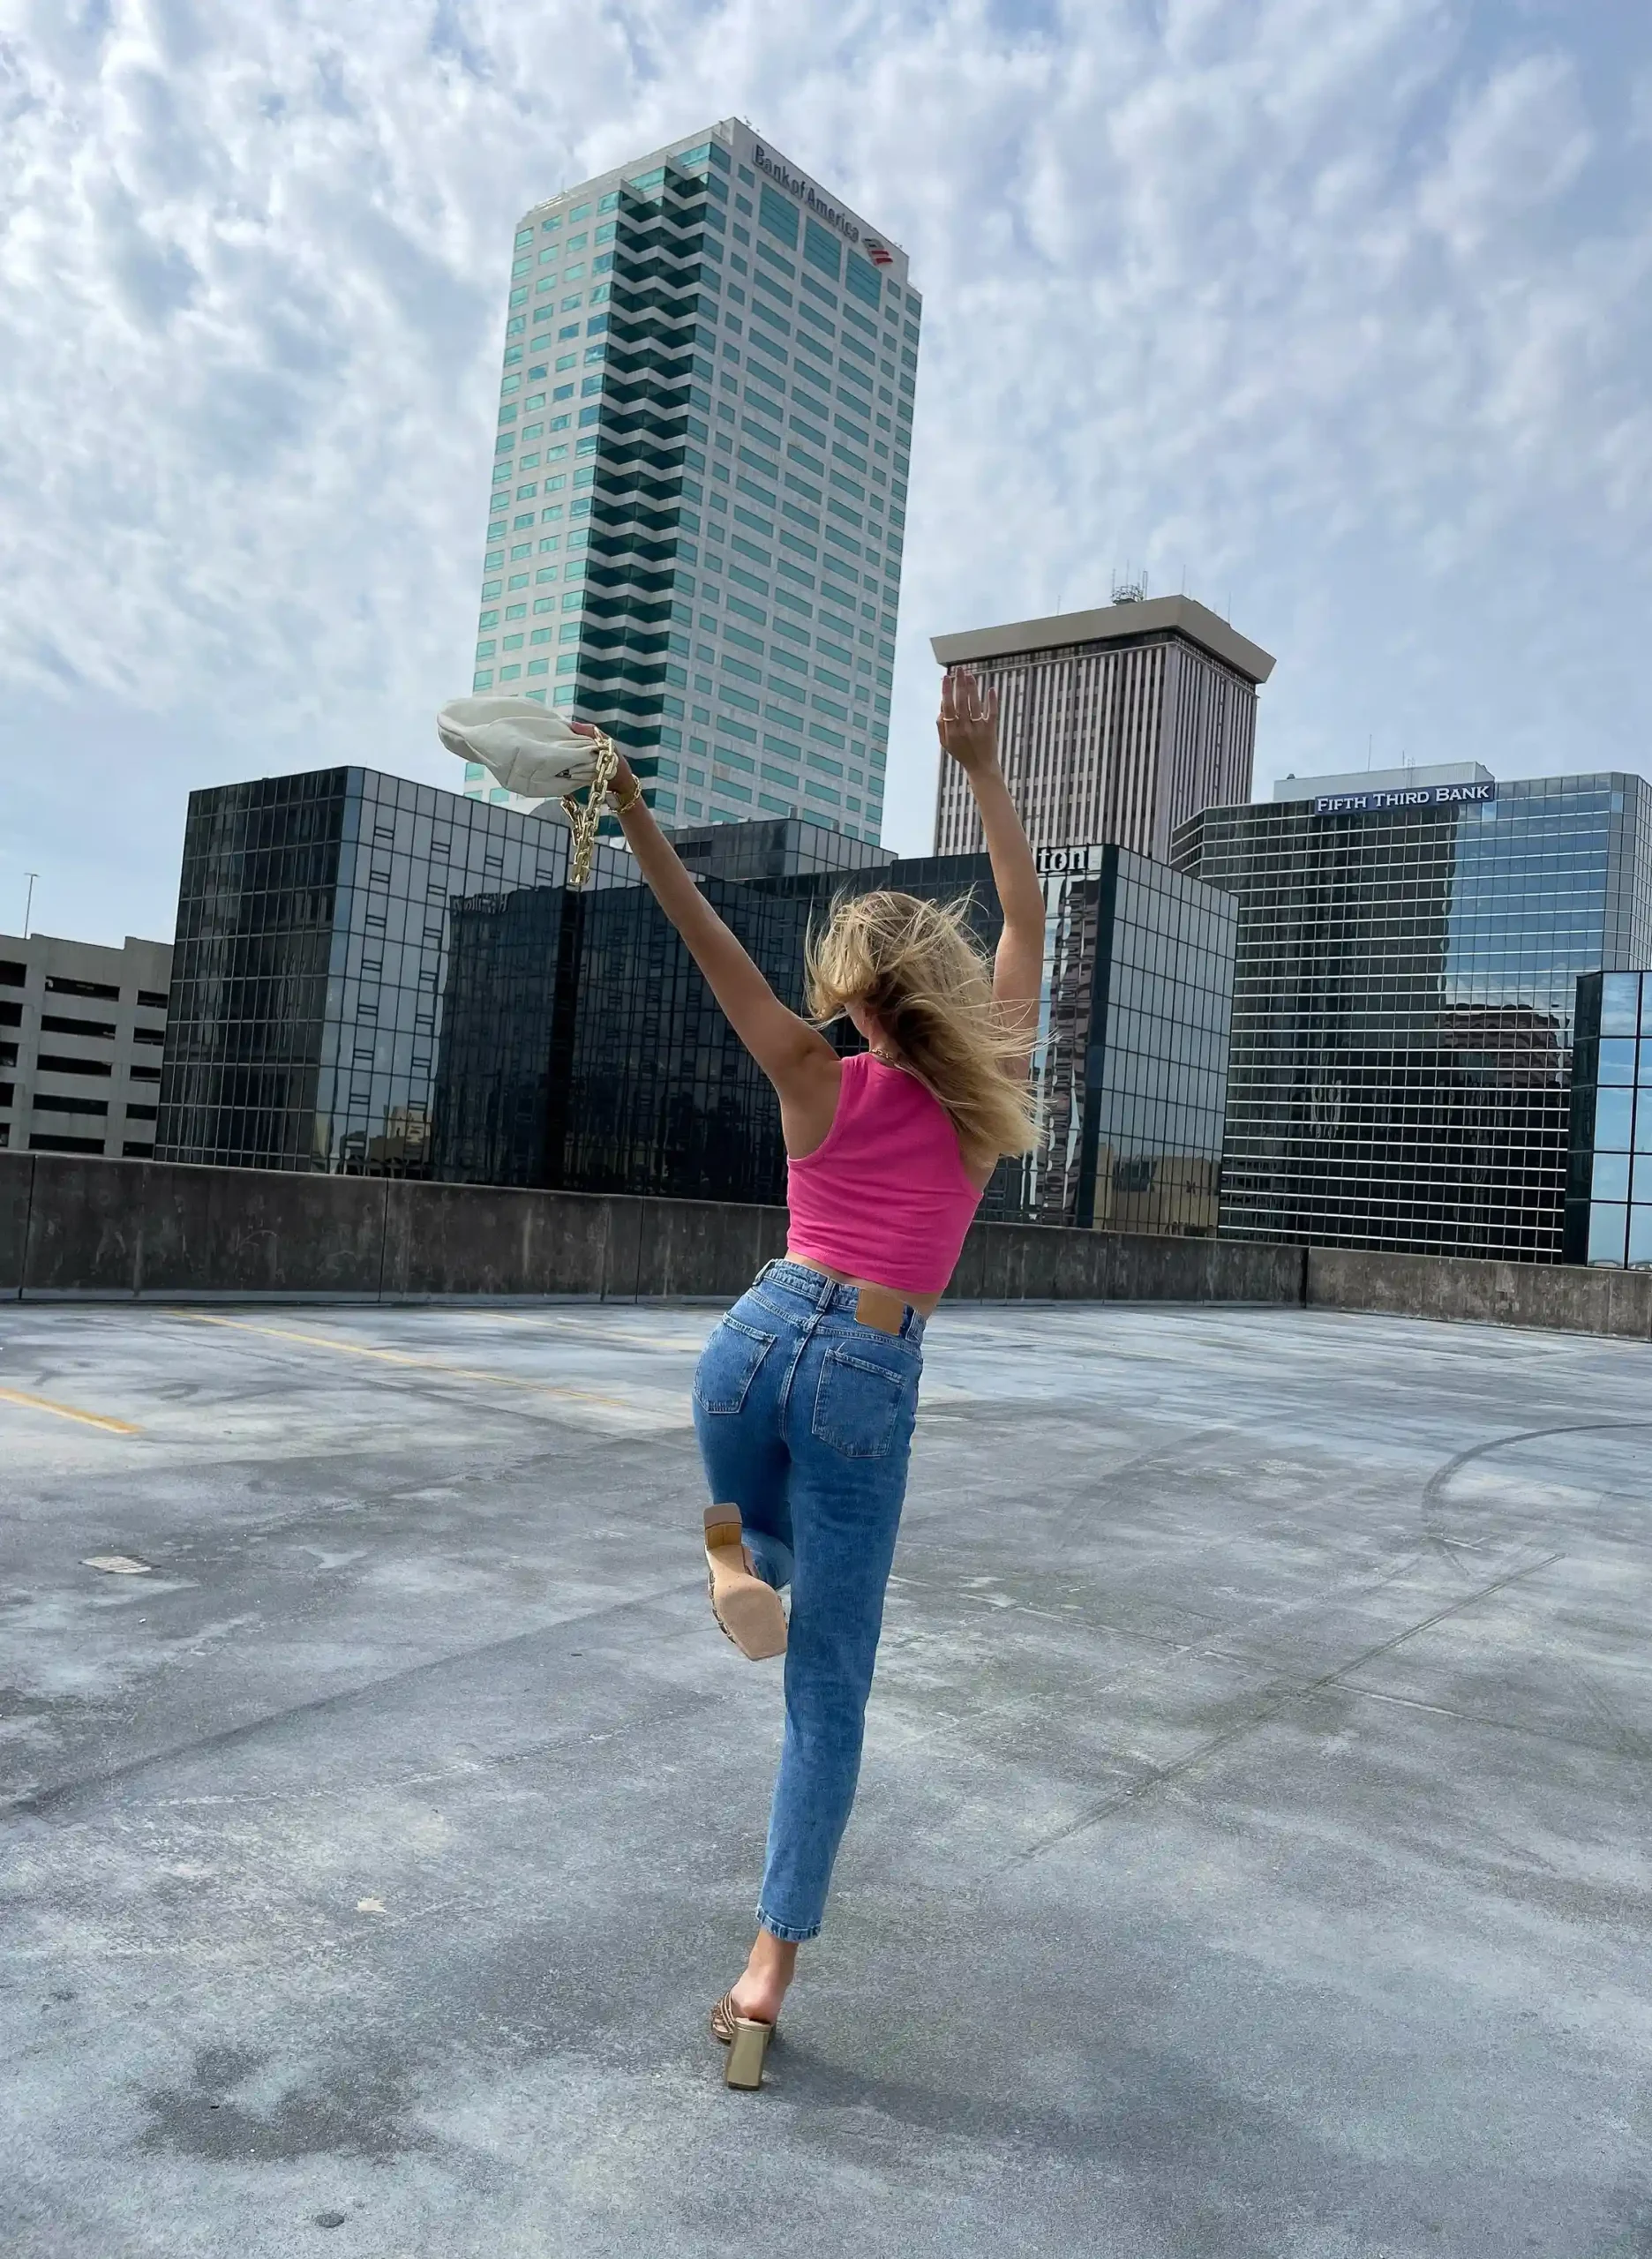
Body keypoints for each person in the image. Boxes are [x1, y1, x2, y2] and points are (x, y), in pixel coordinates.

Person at [574, 666, 1045, 2090]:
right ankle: (766, 1975)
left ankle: (726, 1559)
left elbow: (705, 938)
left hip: (752, 1339)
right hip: (866, 1365)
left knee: (740, 1525)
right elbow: (1026, 914)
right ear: (949, 998)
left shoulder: (813, 1080)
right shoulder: (980, 1105)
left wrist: (638, 813)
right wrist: (977, 766)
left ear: (852, 997)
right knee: (827, 1689)